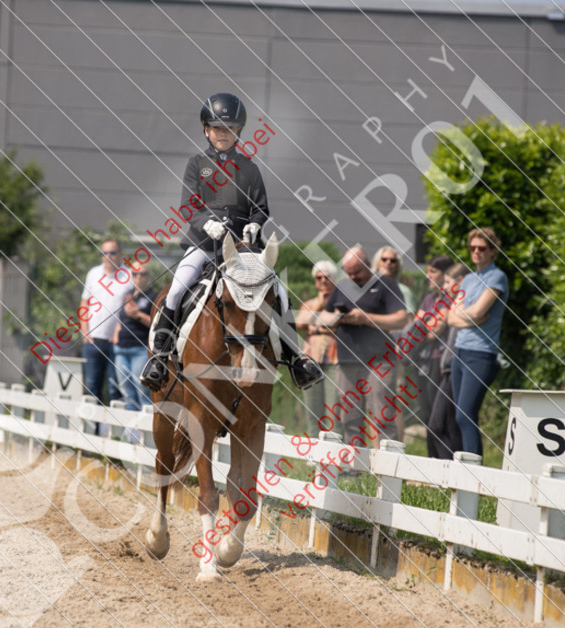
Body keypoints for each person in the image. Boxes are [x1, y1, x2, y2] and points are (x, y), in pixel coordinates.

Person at [140, 92, 322, 392]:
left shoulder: (249, 168)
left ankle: (297, 360)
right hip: (204, 243)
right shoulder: (196, 164)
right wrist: (206, 223)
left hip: (243, 247)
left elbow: (260, 207)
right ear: (206, 129)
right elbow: (188, 207)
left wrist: (253, 224)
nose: (222, 134)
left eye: (229, 129)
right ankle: (159, 358)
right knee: (177, 289)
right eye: (217, 128)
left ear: (238, 131)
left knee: (278, 291)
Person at [322, 247, 410, 444]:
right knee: (349, 418)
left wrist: (365, 318)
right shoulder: (342, 286)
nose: (353, 277)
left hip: (379, 361)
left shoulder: (386, 285)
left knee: (383, 415)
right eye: (349, 273)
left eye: (357, 272)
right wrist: (336, 318)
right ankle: (355, 469)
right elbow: (324, 316)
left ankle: (388, 471)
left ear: (368, 265)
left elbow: (401, 319)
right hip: (347, 361)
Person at [447, 228, 509, 459]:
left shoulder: (497, 277)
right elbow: (451, 316)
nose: (476, 252)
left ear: (493, 251)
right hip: (460, 352)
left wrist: (465, 314)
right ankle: (465, 466)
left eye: (481, 248)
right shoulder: (469, 279)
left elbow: (478, 311)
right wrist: (468, 317)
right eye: (472, 248)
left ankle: (474, 472)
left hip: (481, 354)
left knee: (465, 414)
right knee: (459, 415)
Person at [427, 264, 469, 460]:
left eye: (448, 283)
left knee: (439, 423)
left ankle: (448, 472)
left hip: (455, 367)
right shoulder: (455, 303)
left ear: (460, 282)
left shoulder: (464, 302)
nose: (443, 287)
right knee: (447, 424)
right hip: (448, 367)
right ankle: (447, 472)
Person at [80, 238, 129, 404]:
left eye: (112, 253)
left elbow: (129, 308)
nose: (108, 256)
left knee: (116, 389)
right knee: (93, 388)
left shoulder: (128, 276)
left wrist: (119, 332)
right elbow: (84, 303)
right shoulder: (93, 274)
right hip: (93, 341)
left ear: (120, 254)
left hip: (116, 342)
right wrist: (84, 331)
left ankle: (114, 430)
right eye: (104, 253)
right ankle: (92, 430)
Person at [295, 259, 340, 434]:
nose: (323, 281)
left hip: (334, 360)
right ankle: (315, 455)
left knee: (333, 412)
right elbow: (300, 322)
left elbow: (335, 321)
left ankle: (335, 455)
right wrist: (320, 305)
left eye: (327, 277)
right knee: (313, 411)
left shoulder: (340, 301)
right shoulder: (310, 303)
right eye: (318, 278)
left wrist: (315, 324)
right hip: (310, 360)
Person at [412, 255, 455, 426]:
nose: (428, 276)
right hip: (422, 358)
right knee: (426, 413)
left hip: (439, 358)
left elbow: (438, 326)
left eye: (433, 272)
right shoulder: (429, 299)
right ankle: (431, 453)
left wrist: (422, 330)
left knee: (438, 415)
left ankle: (443, 452)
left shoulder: (449, 298)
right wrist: (423, 329)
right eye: (427, 271)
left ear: (445, 275)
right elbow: (416, 327)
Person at [112, 270, 157, 411]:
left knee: (142, 390)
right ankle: (131, 431)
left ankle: (147, 428)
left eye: (143, 274)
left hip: (140, 348)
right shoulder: (128, 296)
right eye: (135, 273)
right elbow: (121, 318)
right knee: (126, 391)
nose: (138, 277)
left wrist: (137, 314)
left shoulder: (153, 297)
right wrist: (116, 334)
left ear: (149, 276)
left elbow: (156, 324)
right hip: (121, 348)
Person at [373, 245, 417, 313]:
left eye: (393, 260)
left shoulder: (404, 291)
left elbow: (409, 319)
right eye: (384, 259)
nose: (388, 263)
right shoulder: (369, 288)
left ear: (397, 266)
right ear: (377, 263)